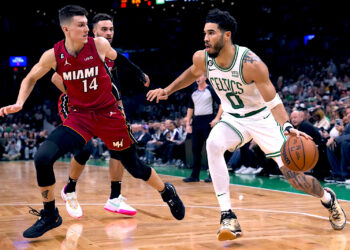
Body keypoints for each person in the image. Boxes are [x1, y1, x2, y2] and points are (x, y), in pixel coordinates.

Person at [147, 8, 346, 241]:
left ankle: (328, 199)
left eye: (211, 33)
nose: (205, 38)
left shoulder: (251, 63)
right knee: (213, 144)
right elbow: (192, 72)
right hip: (233, 118)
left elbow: (273, 100)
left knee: (296, 178)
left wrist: (288, 127)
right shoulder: (202, 58)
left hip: (262, 119)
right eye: (205, 33)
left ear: (227, 35)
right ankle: (227, 215)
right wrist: (167, 90)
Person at [0, 5, 184, 238]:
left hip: (109, 114)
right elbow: (30, 77)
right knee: (42, 158)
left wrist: (140, 74)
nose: (87, 28)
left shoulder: (98, 45)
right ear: (66, 28)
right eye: (81, 25)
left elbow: (121, 61)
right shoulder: (53, 55)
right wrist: (19, 103)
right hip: (80, 116)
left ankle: (166, 191)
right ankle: (50, 215)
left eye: (87, 24)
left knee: (135, 167)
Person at [52, 13, 149, 218]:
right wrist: (77, 94)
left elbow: (114, 86)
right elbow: (55, 77)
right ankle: (69, 189)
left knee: (119, 145)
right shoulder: (81, 47)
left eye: (111, 29)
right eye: (104, 30)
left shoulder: (108, 53)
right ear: (93, 32)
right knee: (85, 148)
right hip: (76, 107)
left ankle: (115, 198)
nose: (109, 33)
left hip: (104, 108)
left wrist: (120, 110)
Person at [183, 74, 222, 183]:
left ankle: (212, 175)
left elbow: (221, 104)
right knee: (195, 149)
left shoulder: (211, 90)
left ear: (205, 77)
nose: (197, 78)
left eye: (199, 76)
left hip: (208, 121)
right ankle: (195, 175)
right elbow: (190, 108)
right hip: (196, 122)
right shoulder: (193, 92)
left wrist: (217, 118)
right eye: (196, 76)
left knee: (211, 149)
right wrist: (187, 124)